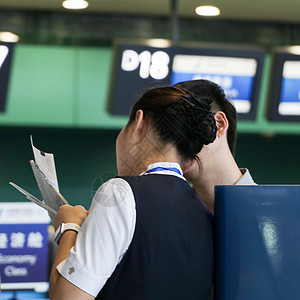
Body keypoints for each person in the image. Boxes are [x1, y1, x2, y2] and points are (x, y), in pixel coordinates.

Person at [49, 86, 217, 300]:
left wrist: (69, 227)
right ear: (189, 161)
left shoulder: (119, 192)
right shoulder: (206, 212)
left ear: (139, 123)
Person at [174, 79, 255, 212]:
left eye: (180, 126)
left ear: (218, 124)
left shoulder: (282, 212)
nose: (169, 143)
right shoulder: (167, 217)